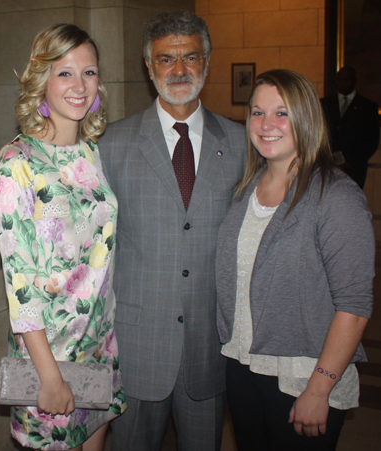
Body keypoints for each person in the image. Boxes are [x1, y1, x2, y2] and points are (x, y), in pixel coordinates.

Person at [99, 10, 246, 451]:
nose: (179, 70)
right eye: (166, 60)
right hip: (138, 346)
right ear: (149, 67)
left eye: (191, 57)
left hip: (210, 348)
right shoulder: (111, 144)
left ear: (207, 61)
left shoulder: (241, 144)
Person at [216, 69, 375, 450]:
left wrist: (319, 389)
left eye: (281, 113)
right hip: (243, 365)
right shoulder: (246, 190)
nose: (266, 124)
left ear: (305, 117)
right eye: (257, 112)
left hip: (300, 374)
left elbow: (353, 308)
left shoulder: (335, 198)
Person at [0, 23, 126, 451]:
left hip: (100, 348)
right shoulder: (16, 164)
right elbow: (21, 284)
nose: (79, 85)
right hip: (49, 358)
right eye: (64, 72)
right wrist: (49, 376)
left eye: (89, 72)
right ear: (41, 79)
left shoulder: (94, 151)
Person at [321, 66, 380, 189]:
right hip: (328, 166)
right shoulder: (324, 104)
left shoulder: (368, 107)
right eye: (339, 80)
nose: (342, 83)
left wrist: (351, 161)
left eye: (346, 80)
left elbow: (372, 141)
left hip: (354, 169)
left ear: (354, 81)